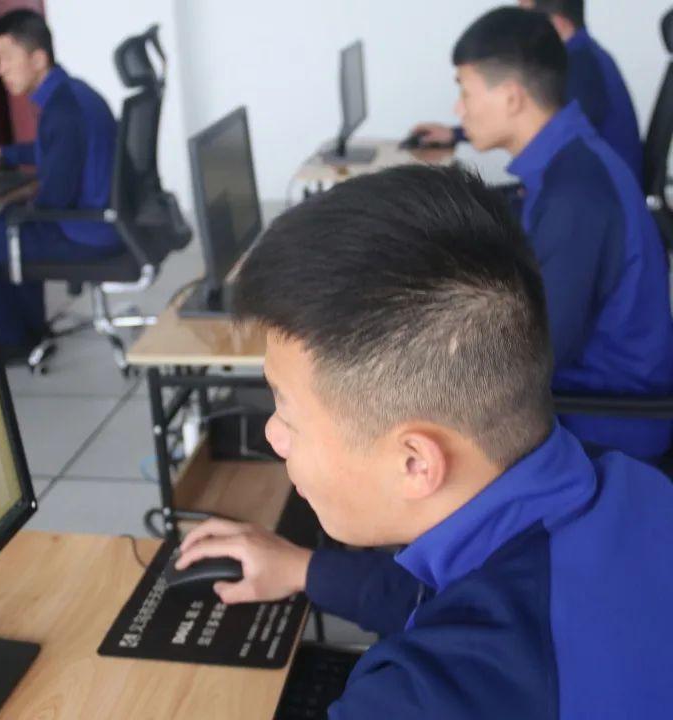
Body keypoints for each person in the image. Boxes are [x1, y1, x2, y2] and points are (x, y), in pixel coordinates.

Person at [174, 164, 673, 719]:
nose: (272, 436)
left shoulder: (422, 699)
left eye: (286, 411)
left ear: (415, 462)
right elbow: (468, 597)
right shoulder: (633, 487)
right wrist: (301, 569)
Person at [458, 7, 672, 458]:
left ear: (512, 97)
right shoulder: (569, 159)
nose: (460, 109)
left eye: (466, 90)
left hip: (605, 417)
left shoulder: (574, 196)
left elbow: (541, 352)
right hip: (590, 391)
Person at [0, 10, 121, 361]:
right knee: (8, 221)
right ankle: (30, 331)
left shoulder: (62, 111)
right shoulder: (71, 93)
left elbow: (54, 198)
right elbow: (57, 150)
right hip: (102, 222)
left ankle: (13, 342)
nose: (0, 70)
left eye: (6, 59)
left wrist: (16, 199)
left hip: (85, 233)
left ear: (38, 58)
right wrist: (3, 153)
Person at [413, 0, 643, 180]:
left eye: (526, 19)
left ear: (558, 25)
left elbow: (549, 142)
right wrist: (455, 134)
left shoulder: (580, 69)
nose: (516, 29)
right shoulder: (585, 56)